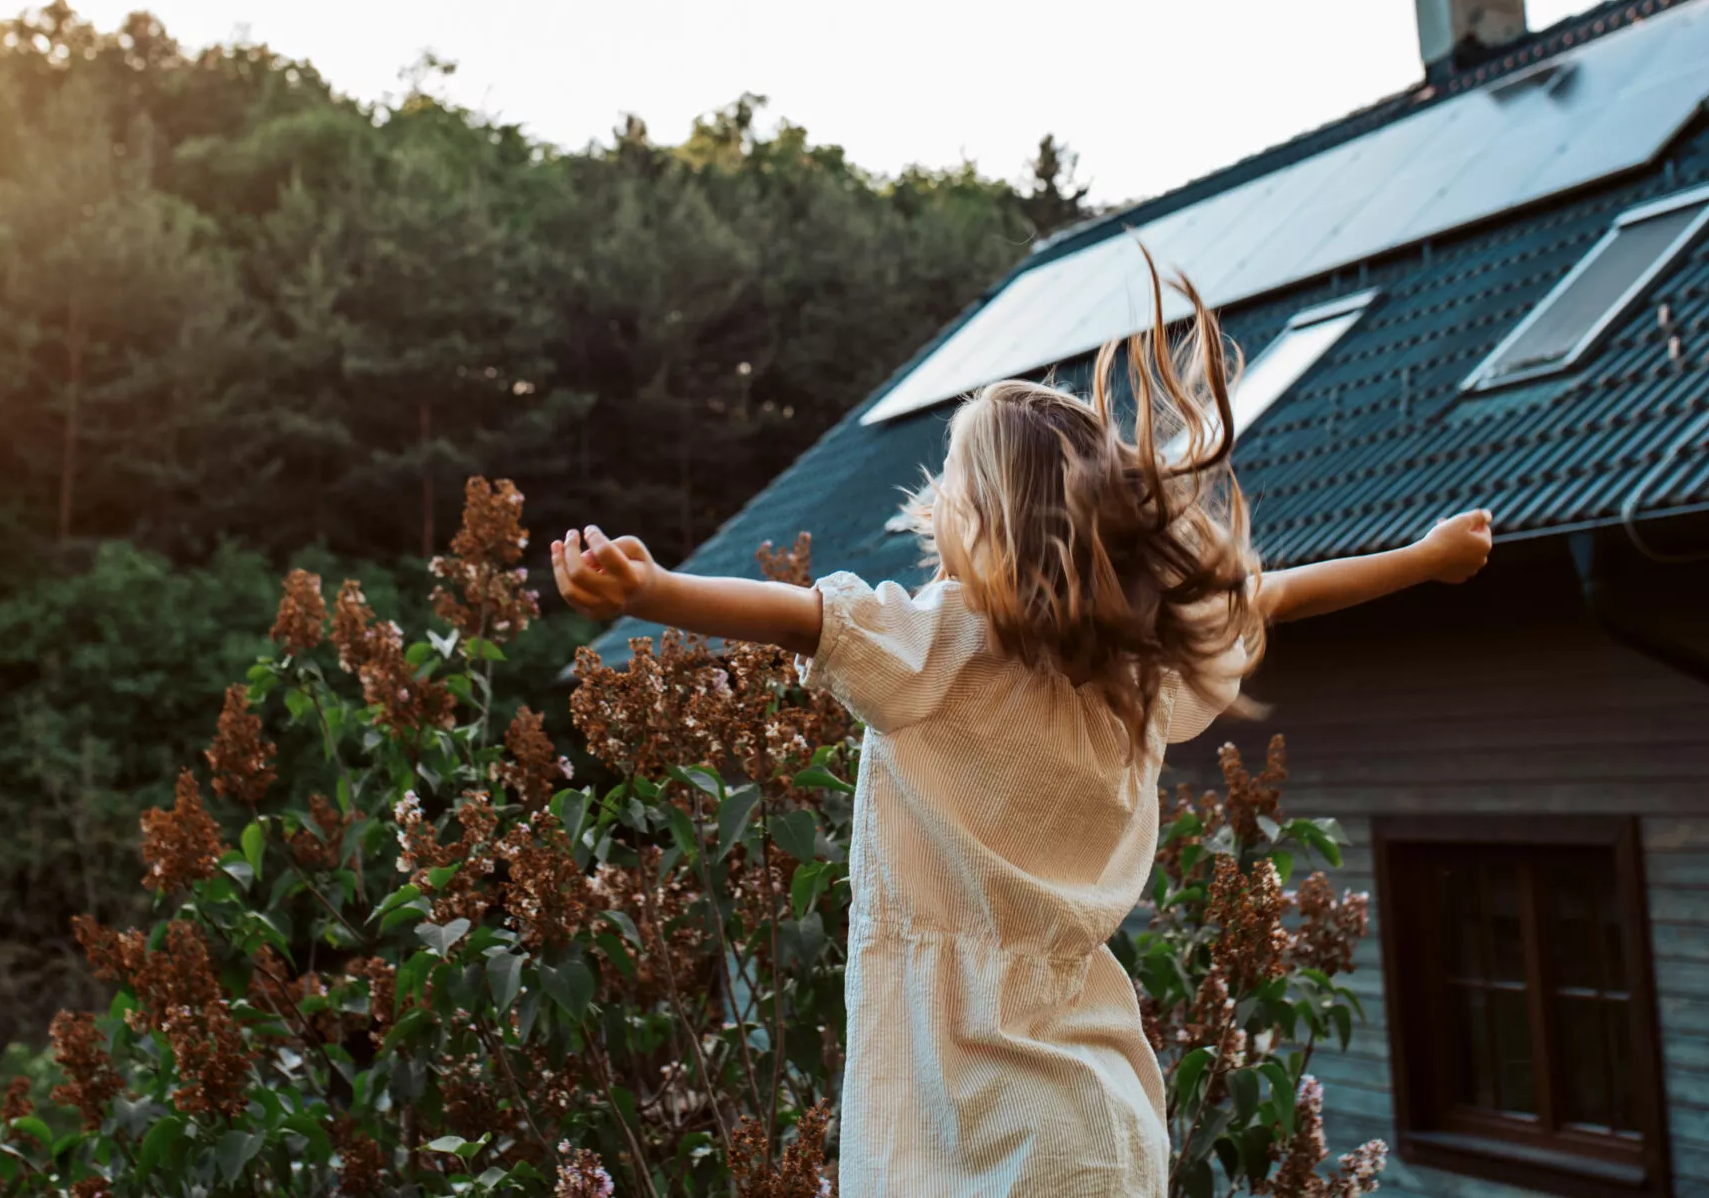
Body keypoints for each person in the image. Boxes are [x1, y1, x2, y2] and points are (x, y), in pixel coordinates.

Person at [551, 259, 1492, 1196]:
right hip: (1093, 1121)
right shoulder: (1137, 662)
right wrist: (1422, 557)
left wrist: (654, 591)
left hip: (983, 1118)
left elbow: (800, 615)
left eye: (953, 491)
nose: (934, 507)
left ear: (990, 522)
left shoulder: (945, 641)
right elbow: (1271, 594)